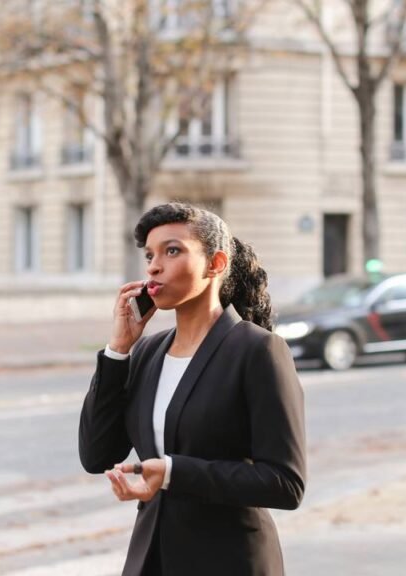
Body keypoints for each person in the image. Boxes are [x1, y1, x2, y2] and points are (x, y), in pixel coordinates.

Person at [78, 202, 306, 575]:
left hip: (229, 561)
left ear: (215, 264)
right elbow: (96, 455)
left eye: (172, 251)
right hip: (151, 560)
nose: (153, 265)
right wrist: (118, 351)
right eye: (149, 255)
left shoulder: (257, 350)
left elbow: (285, 483)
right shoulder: (148, 352)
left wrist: (172, 473)